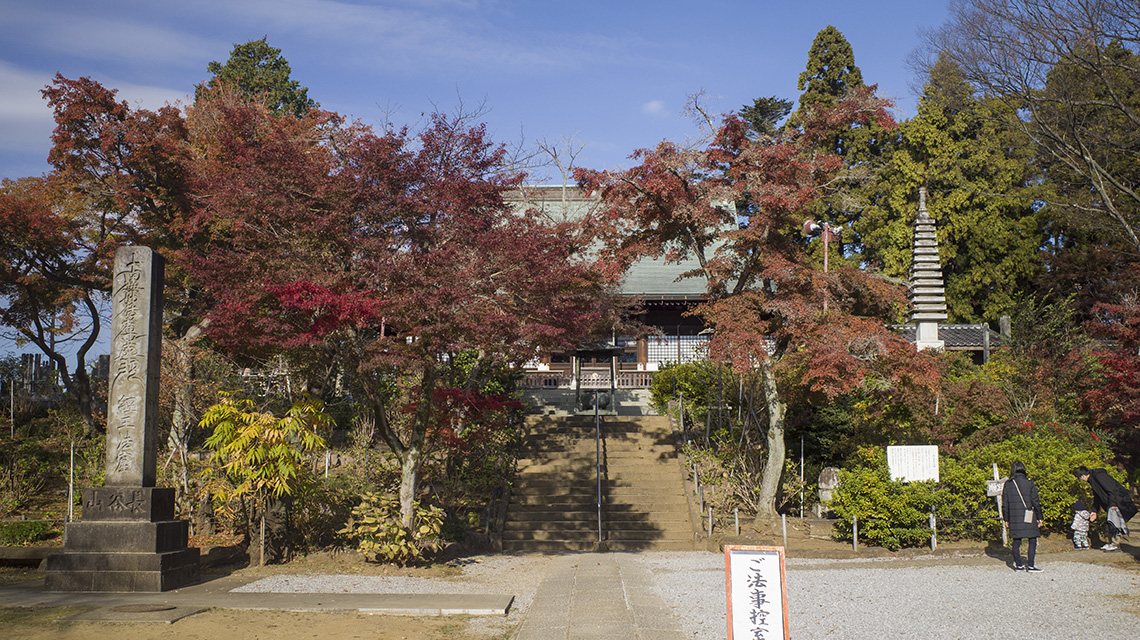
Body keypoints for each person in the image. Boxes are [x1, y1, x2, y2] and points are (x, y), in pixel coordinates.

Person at [1073, 465, 1137, 552]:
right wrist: (1094, 511)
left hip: (1118, 502)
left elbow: (1111, 489)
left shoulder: (1099, 476)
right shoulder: (1093, 480)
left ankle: (1115, 544)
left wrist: (1113, 504)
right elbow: (1097, 497)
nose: (1081, 480)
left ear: (1082, 476)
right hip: (1112, 503)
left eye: (1079, 478)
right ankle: (1112, 543)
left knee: (1114, 523)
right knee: (1110, 522)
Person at [1002, 461, 1044, 571]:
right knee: (1032, 539)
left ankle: (1019, 565)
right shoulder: (1029, 483)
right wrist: (1040, 517)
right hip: (1029, 515)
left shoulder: (1008, 484)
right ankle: (1030, 565)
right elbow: (1036, 501)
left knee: (1016, 542)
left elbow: (1005, 504)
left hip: (1014, 517)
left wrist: (1006, 519)